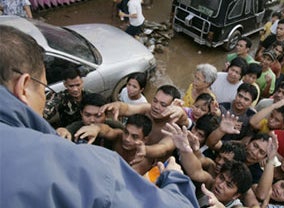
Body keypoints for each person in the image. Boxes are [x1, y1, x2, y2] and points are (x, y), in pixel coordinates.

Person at [0, 25, 198, 207]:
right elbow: (119, 120)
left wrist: (181, 120)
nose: (157, 106)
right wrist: (175, 179)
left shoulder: (172, 129)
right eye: (44, 89)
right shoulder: (91, 165)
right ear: (24, 87)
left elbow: (160, 147)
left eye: (164, 105)